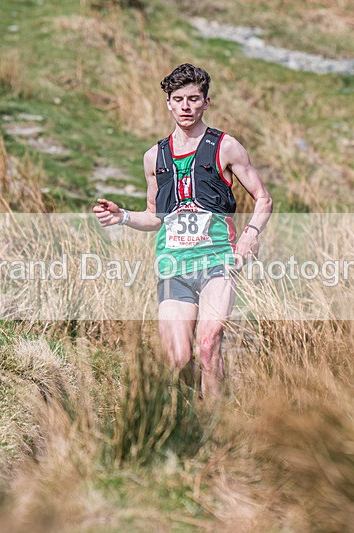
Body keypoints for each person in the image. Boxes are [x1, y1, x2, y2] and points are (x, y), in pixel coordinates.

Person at [93, 63, 272, 401]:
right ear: (168, 103)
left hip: (218, 261)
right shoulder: (153, 157)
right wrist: (123, 217)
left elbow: (263, 198)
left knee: (208, 343)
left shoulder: (226, 147)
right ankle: (198, 405)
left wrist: (250, 234)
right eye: (179, 99)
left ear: (206, 102)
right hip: (173, 264)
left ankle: (215, 424)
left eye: (194, 99)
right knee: (178, 359)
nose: (186, 106)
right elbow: (154, 217)